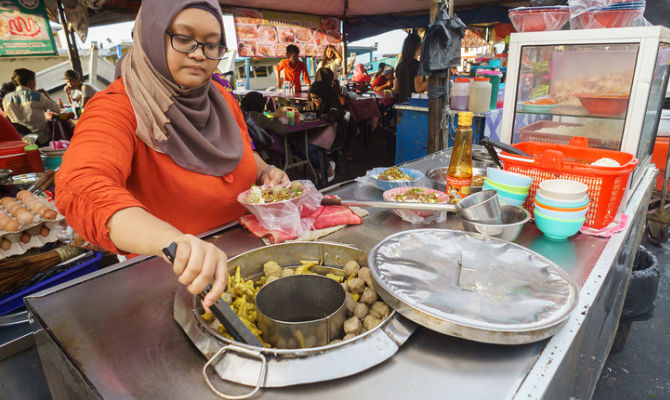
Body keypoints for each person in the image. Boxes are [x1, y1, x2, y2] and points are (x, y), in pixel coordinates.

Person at [55, 0, 289, 310]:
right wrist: (174, 243)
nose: (198, 54)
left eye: (211, 44)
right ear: (152, 33)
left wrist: (264, 171)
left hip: (246, 266)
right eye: (183, 38)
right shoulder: (117, 107)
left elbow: (241, 154)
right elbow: (81, 185)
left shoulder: (220, 99)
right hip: (170, 283)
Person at [297, 81, 344, 182]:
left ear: (324, 95)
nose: (314, 100)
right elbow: (307, 109)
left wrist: (324, 116)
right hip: (321, 134)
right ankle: (324, 165)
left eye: (316, 97)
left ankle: (328, 168)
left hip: (334, 137)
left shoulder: (333, 103)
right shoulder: (319, 104)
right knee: (298, 147)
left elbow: (332, 116)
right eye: (312, 98)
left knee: (306, 150)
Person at [2, 68, 60, 146]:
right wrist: (46, 96)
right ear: (31, 82)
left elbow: (7, 118)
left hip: (22, 140)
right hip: (41, 139)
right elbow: (58, 109)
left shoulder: (6, 98)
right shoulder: (37, 96)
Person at [394, 33, 428, 103]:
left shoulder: (399, 66)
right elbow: (418, 88)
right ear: (418, 47)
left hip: (401, 105)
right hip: (413, 106)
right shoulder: (417, 65)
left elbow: (396, 89)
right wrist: (433, 78)